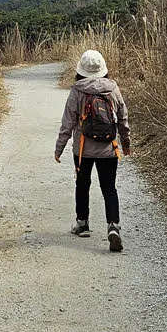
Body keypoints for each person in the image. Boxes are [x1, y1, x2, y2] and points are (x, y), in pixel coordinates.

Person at [54, 49, 131, 252]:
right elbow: (122, 118)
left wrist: (59, 148)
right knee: (109, 188)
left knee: (82, 185)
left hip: (83, 150)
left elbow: (68, 123)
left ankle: (82, 224)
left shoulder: (78, 90)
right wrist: (126, 143)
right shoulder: (112, 88)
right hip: (108, 149)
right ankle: (113, 226)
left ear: (81, 70)